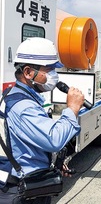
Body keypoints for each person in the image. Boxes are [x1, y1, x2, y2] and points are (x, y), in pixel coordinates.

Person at [0, 37, 84, 203]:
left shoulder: (13, 94)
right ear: (28, 72)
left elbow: (25, 143)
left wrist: (53, 162)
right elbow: (53, 139)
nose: (54, 75)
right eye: (49, 70)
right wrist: (72, 109)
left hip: (27, 181)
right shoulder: (24, 107)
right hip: (20, 190)